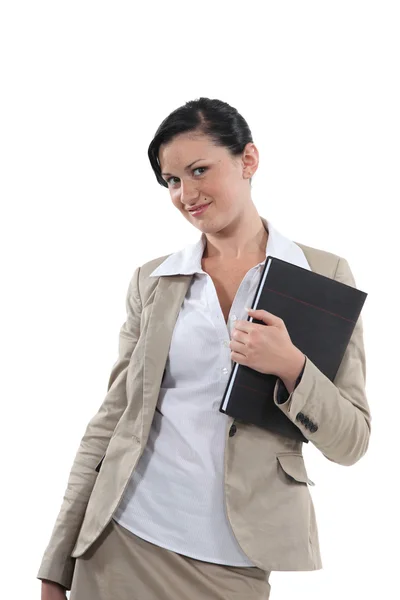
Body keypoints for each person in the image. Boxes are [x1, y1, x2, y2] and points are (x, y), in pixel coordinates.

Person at [38, 97, 371, 600]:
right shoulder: (153, 280)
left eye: (199, 170)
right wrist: (55, 564)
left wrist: (293, 368)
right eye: (171, 181)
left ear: (248, 160)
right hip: (122, 540)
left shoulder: (321, 276)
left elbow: (352, 442)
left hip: (235, 560)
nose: (185, 194)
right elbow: (110, 422)